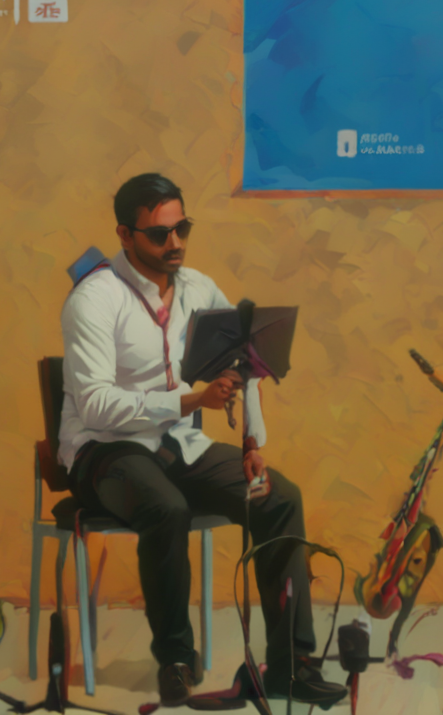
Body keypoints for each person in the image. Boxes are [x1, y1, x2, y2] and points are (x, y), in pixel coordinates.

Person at [59, 173, 347, 708]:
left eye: (182, 228)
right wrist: (191, 402)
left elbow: (247, 360)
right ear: (124, 234)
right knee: (165, 508)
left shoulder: (198, 288)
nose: (175, 243)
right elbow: (96, 405)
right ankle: (175, 657)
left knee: (279, 497)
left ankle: (291, 666)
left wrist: (251, 443)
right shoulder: (94, 299)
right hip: (106, 451)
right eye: (159, 234)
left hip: (178, 446)